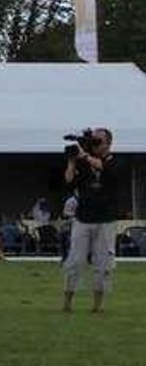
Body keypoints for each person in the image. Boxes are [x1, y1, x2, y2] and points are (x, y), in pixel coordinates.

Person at [62, 128, 120, 313]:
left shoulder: (115, 161)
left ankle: (98, 304)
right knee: (75, 261)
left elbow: (104, 168)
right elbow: (69, 181)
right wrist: (71, 162)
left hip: (105, 220)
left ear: (108, 143)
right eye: (93, 141)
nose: (94, 144)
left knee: (103, 263)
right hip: (83, 219)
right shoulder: (84, 162)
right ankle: (67, 302)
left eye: (98, 141)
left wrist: (83, 154)